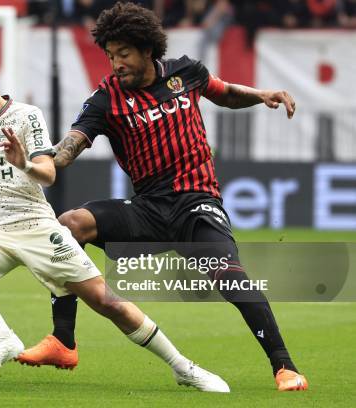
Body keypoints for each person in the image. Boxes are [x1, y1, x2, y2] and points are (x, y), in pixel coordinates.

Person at [16, 2, 309, 392]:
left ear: (148, 49)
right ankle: (63, 341)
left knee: (231, 278)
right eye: (110, 55)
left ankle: (284, 367)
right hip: (149, 209)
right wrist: (42, 158)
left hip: (197, 204)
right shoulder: (106, 99)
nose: (116, 63)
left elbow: (223, 93)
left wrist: (261, 95)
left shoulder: (186, 72)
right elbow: (72, 144)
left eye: (123, 54)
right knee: (69, 226)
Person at [0, 44, 229, 392]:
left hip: (36, 227)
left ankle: (183, 367)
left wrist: (24, 164)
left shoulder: (25, 116)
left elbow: (48, 174)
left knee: (108, 303)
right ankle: (2, 336)